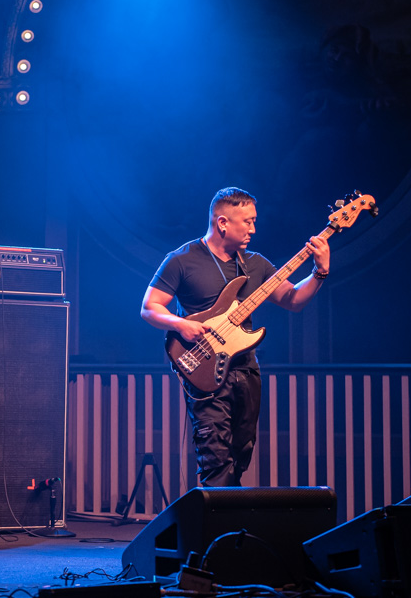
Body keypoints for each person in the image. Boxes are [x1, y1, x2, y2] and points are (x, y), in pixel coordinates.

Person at [140, 187, 330, 487]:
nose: (254, 229)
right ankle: (217, 530)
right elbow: (150, 308)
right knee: (215, 457)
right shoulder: (182, 259)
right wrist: (179, 325)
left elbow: (293, 300)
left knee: (242, 450)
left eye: (255, 221)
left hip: (246, 369)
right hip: (203, 368)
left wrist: (319, 272)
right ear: (223, 223)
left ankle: (227, 516)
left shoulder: (256, 264)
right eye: (248, 222)